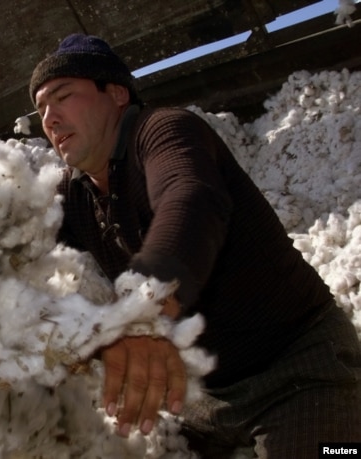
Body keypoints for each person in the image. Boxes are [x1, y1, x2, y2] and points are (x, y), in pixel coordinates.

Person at [29, 33, 361, 458]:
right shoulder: (74, 195)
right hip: (198, 397)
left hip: (297, 370)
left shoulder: (164, 131)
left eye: (63, 96)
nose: (49, 119)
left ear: (115, 93)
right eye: (41, 109)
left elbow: (190, 197)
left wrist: (142, 311)